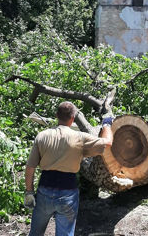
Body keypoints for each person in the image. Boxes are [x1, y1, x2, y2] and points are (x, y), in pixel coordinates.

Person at [24, 101, 114, 236]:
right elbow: (108, 143)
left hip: (44, 191)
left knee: (35, 233)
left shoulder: (42, 136)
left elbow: (30, 168)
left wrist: (29, 193)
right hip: (68, 194)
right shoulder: (80, 138)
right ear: (73, 118)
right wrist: (107, 123)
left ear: (56, 115)